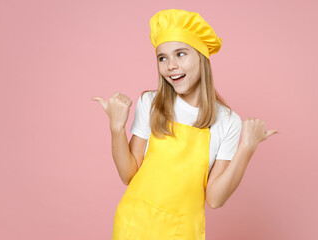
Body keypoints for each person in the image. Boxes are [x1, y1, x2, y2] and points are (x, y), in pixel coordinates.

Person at [92, 9, 279, 240]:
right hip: (134, 223)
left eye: (181, 54)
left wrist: (247, 148)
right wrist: (116, 128)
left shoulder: (228, 122)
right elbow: (128, 175)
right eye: (163, 58)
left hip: (184, 231)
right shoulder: (150, 103)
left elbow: (215, 199)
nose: (171, 65)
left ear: (202, 57)